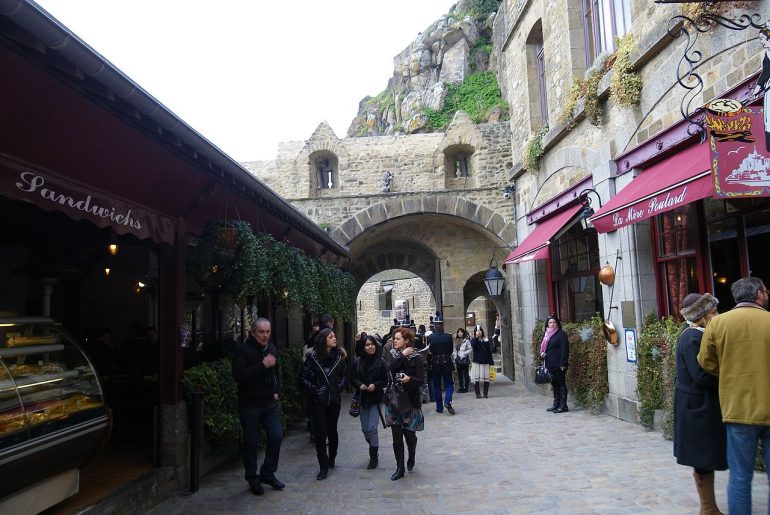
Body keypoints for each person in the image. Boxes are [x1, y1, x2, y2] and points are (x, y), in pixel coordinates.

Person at [698, 277, 770, 514]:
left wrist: (728, 371)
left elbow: (705, 361)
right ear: (759, 294)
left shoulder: (719, 324)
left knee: (740, 477)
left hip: (737, 407)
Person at [673, 292, 726, 515]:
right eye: (714, 313)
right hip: (696, 407)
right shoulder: (692, 338)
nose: (717, 316)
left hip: (698, 404)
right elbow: (701, 376)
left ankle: (709, 506)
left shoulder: (697, 335)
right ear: (702, 315)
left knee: (704, 458)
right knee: (702, 458)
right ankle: (708, 508)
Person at [232, 318, 284, 496]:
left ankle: (268, 472)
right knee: (251, 443)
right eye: (261, 332)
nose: (265, 335)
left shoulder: (271, 348)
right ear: (253, 332)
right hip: (250, 404)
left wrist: (276, 390)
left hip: (269, 403)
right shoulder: (243, 350)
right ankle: (252, 478)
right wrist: (262, 365)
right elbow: (239, 376)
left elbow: (275, 372)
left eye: (268, 332)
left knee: (277, 436)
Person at [299, 327, 348, 480]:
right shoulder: (312, 358)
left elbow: (345, 376)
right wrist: (314, 389)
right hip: (318, 401)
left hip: (333, 400)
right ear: (323, 340)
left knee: (332, 431)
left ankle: (332, 458)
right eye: (331, 337)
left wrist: (338, 388)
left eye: (335, 336)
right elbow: (302, 378)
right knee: (321, 432)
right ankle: (323, 466)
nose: (335, 339)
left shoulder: (339, 358)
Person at [383, 327, 426, 480]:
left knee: (409, 435)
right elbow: (388, 369)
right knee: (396, 436)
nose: (394, 340)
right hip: (394, 400)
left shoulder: (417, 358)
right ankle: (399, 468)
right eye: (394, 338)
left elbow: (420, 380)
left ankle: (412, 453)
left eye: (398, 338)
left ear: (407, 340)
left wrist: (410, 380)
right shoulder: (391, 355)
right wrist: (402, 355)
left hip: (410, 401)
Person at [351, 335, 387, 469]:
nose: (370, 347)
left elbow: (385, 380)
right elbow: (352, 378)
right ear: (363, 347)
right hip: (362, 398)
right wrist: (359, 384)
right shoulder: (357, 362)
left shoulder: (380, 362)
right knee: (365, 429)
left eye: (372, 344)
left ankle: (373, 457)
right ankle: (372, 443)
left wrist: (375, 385)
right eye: (367, 345)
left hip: (375, 399)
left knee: (372, 428)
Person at [539, 316, 569, 412]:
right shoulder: (547, 335)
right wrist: (542, 354)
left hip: (559, 364)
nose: (552, 324)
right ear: (547, 324)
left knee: (561, 384)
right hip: (549, 364)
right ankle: (556, 404)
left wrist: (563, 363)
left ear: (557, 324)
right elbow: (545, 348)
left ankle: (563, 405)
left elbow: (565, 349)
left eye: (554, 322)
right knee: (554, 384)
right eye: (550, 322)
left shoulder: (561, 334)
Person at [427, 315, 455, 414]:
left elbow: (429, 351)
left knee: (437, 385)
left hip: (435, 361)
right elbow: (451, 350)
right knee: (449, 384)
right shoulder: (448, 336)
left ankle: (439, 408)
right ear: (442, 326)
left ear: (434, 326)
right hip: (446, 360)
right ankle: (447, 401)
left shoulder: (430, 337)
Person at [470, 325, 494, 399]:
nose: (479, 332)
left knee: (486, 378)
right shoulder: (474, 340)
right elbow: (474, 345)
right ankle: (478, 393)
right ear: (475, 332)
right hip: (477, 361)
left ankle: (485, 393)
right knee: (476, 378)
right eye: (477, 331)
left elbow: (489, 351)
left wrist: (491, 361)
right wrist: (477, 337)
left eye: (480, 330)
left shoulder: (486, 340)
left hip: (485, 361)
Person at [453, 328, 471, 393]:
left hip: (464, 359)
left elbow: (470, 349)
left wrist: (464, 353)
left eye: (461, 332)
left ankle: (466, 387)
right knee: (459, 375)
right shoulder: (456, 341)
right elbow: (455, 350)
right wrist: (455, 358)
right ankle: (461, 387)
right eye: (458, 332)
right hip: (458, 359)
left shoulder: (466, 341)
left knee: (466, 374)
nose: (460, 333)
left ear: (463, 333)